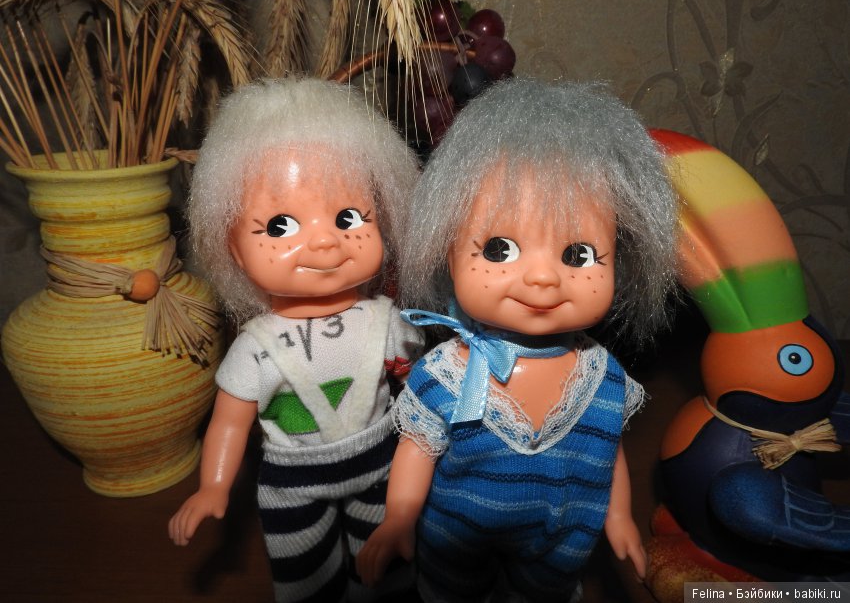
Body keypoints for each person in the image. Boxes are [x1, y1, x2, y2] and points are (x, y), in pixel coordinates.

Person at [356, 78, 679, 602]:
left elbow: (606, 451)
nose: (544, 278)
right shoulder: (445, 373)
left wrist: (619, 516)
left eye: (577, 256)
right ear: (448, 251)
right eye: (500, 250)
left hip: (563, 540)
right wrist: (399, 518)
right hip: (456, 538)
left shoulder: (603, 376)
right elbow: (419, 449)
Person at [168, 77, 424, 603]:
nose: (326, 240)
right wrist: (214, 485)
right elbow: (229, 423)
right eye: (280, 226)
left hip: (380, 470)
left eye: (349, 218)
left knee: (385, 574)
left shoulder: (387, 321)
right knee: (305, 577)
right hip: (292, 486)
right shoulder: (257, 347)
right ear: (234, 250)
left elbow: (416, 385)